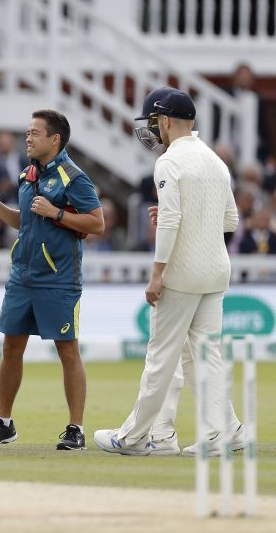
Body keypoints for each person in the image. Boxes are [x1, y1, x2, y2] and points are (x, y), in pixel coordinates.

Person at [94, 87, 246, 456]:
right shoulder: (215, 160)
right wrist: (183, 220)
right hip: (215, 271)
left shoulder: (169, 161)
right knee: (204, 355)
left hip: (182, 272)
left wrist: (157, 273)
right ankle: (226, 433)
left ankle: (134, 438)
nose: (152, 130)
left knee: (161, 357)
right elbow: (230, 219)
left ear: (164, 121)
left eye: (153, 123)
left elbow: (172, 221)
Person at [0, 109, 104, 451]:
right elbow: (26, 223)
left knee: (67, 350)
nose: (27, 138)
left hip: (59, 279)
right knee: (10, 347)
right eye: (27, 132)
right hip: (22, 276)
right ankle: (3, 423)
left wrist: (58, 213)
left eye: (34, 133)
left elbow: (97, 223)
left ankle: (76, 429)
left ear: (55, 139)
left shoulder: (74, 178)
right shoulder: (27, 175)